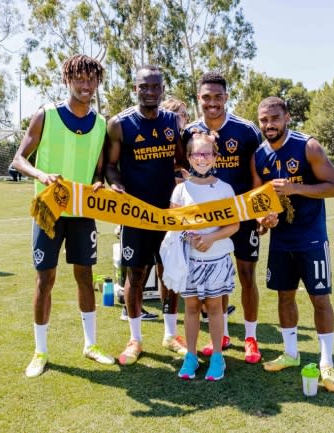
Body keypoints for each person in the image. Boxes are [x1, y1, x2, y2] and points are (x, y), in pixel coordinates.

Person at [12, 54, 114, 378]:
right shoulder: (46, 115)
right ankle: (40, 351)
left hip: (83, 213)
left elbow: (99, 172)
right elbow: (18, 159)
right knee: (45, 279)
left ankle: (91, 344)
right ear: (67, 80)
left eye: (91, 79)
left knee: (85, 277)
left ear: (97, 82)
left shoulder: (101, 124)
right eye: (79, 79)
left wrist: (99, 184)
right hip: (48, 210)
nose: (86, 85)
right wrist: (41, 175)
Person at [252, 96, 334, 393]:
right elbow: (258, 204)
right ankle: (291, 353)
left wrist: (295, 188)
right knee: (284, 298)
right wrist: (264, 221)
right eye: (264, 120)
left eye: (274, 118)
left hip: (311, 238)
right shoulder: (259, 156)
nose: (269, 125)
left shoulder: (308, 146)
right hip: (281, 241)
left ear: (287, 117)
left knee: (319, 299)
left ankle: (327, 362)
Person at [105, 65, 186, 366]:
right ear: (135, 88)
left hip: (167, 214)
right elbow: (110, 165)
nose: (150, 92)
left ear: (163, 89)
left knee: (170, 272)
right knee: (135, 275)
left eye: (155, 86)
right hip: (136, 215)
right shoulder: (119, 124)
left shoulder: (172, 121)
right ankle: (135, 338)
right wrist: (116, 182)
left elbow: (181, 159)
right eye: (144, 86)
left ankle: (170, 334)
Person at [182, 71, 263, 364]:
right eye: (206, 97)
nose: (212, 103)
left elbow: (257, 174)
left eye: (218, 97)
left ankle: (251, 338)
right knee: (219, 281)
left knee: (246, 276)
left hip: (240, 219)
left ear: (226, 98)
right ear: (199, 99)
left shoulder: (246, 130)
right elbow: (183, 173)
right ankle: (224, 334)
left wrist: (259, 212)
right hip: (205, 223)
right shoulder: (189, 131)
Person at [172, 131, 239, 381]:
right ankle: (190, 355)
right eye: (197, 154)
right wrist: (191, 238)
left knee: (214, 307)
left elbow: (234, 226)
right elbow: (174, 224)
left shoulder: (225, 189)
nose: (202, 158)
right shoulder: (180, 191)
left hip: (218, 259)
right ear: (189, 157)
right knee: (190, 308)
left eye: (207, 153)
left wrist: (210, 239)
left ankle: (218, 358)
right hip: (190, 260)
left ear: (215, 157)